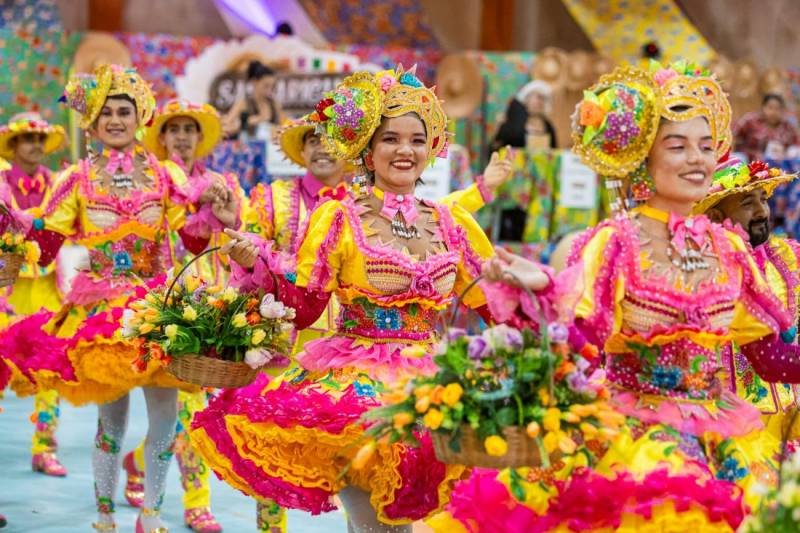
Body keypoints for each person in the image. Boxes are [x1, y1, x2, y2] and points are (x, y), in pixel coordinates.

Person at [434, 62, 800, 532]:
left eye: (706, 146)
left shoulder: (728, 250)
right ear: (643, 157)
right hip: (634, 438)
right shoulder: (616, 244)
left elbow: (768, 356)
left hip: (718, 438)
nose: (697, 159)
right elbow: (583, 340)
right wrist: (544, 296)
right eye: (678, 145)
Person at [189, 66, 511, 533]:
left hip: (432, 385)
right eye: (391, 139)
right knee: (375, 526)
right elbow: (305, 308)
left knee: (406, 523)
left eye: (417, 140)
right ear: (367, 149)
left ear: (432, 147)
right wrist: (255, 265)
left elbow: (492, 305)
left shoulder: (452, 223)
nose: (405, 151)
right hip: (356, 388)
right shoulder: (338, 219)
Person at [1, 64, 238, 533]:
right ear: (92, 121)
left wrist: (217, 212)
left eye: (124, 111)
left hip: (158, 314)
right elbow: (46, 238)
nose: (115, 119)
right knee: (111, 425)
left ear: (140, 118)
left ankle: (150, 515)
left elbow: (191, 240)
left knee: (166, 423)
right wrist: (13, 221)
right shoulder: (77, 177)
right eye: (106, 111)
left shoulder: (165, 173)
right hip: (104, 316)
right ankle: (105, 515)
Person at [117, 99, 244, 533]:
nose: (184, 136)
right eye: (175, 129)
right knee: (190, 410)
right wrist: (194, 198)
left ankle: (136, 460)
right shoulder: (154, 179)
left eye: (191, 129)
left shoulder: (221, 182)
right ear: (163, 137)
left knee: (200, 408)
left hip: (214, 304)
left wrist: (229, 214)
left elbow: (238, 236)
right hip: (170, 304)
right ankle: (197, 503)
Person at [697, 156, 800, 442]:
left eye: (762, 199)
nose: (761, 211)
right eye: (746, 203)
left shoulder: (791, 258)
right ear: (716, 218)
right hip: (728, 431)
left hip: (789, 429)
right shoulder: (706, 272)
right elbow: (770, 361)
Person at [0, 112, 69, 477]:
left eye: (41, 140)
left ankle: (45, 446)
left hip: (45, 287)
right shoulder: (0, 183)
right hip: (6, 288)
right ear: (13, 145)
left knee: (49, 369)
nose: (36, 146)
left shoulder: (57, 184)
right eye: (28, 139)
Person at [222, 61, 285, 141]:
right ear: (255, 82)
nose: (269, 91)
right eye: (266, 86)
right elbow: (226, 127)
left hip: (271, 149)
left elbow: (284, 126)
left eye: (272, 87)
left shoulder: (274, 104)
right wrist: (244, 123)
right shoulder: (244, 103)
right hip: (249, 149)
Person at [491, 80, 557, 152]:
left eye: (544, 99)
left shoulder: (548, 125)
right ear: (527, 99)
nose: (540, 102)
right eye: (538, 97)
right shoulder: (515, 121)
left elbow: (554, 151)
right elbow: (497, 146)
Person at [733, 93, 800, 161]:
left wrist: (786, 152)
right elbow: (733, 136)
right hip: (750, 162)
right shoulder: (750, 121)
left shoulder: (787, 126)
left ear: (782, 110)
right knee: (738, 157)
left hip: (779, 165)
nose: (773, 112)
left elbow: (796, 146)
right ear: (763, 108)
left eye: (777, 108)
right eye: (770, 108)